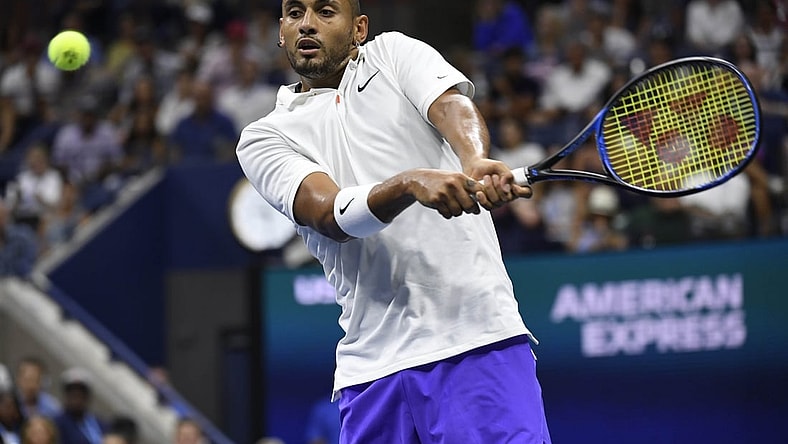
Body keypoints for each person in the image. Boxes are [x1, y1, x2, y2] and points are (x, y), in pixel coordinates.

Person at [236, 1, 551, 443]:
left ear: (358, 28)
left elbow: (451, 106)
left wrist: (474, 158)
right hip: (371, 374)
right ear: (281, 32)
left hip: (476, 341)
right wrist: (408, 183)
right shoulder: (266, 137)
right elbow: (329, 214)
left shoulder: (395, 54)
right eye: (294, 12)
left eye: (326, 11)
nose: (307, 23)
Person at [53, 368, 106, 444]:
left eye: (80, 395)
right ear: (66, 396)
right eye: (73, 394)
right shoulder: (57, 424)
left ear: (87, 397)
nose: (77, 399)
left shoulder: (98, 423)